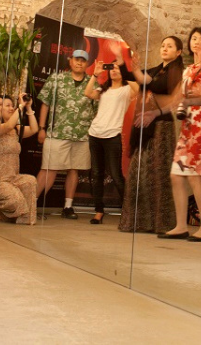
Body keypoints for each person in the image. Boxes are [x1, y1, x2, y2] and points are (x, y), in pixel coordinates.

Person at [117, 37, 184, 234]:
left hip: (161, 126)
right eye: (163, 45)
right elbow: (138, 78)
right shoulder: (155, 69)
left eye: (169, 46)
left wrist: (139, 74)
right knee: (139, 172)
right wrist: (123, 62)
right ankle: (139, 222)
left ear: (178, 52)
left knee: (158, 174)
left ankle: (162, 223)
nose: (164, 48)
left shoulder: (176, 71)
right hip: (144, 126)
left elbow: (157, 86)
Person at [161, 27, 201, 241]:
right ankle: (180, 225)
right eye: (194, 38)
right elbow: (178, 98)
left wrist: (193, 98)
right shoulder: (187, 69)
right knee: (176, 175)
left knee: (195, 177)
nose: (196, 42)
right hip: (188, 123)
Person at [36, 49, 96, 219]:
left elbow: (97, 109)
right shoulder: (56, 79)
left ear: (87, 64)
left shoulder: (93, 83)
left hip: (82, 135)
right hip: (57, 133)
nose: (79, 63)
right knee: (49, 169)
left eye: (83, 61)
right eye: (77, 60)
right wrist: (41, 128)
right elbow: (45, 104)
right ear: (70, 61)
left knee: (74, 169)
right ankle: (30, 204)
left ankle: (68, 207)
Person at [84, 62, 137, 225]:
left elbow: (139, 89)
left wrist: (127, 72)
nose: (114, 71)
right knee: (96, 174)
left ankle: (129, 212)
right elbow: (88, 93)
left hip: (112, 135)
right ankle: (99, 211)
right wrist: (95, 74)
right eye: (112, 68)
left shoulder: (127, 90)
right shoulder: (104, 89)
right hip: (95, 134)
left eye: (117, 68)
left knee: (116, 175)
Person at [0, 94, 39, 225]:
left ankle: (20, 217)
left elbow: (34, 129)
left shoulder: (15, 129)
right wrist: (20, 107)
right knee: (16, 201)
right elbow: (7, 126)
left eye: (12, 105)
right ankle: (4, 211)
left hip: (11, 178)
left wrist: (28, 108)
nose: (10, 108)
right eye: (3, 105)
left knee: (30, 181)